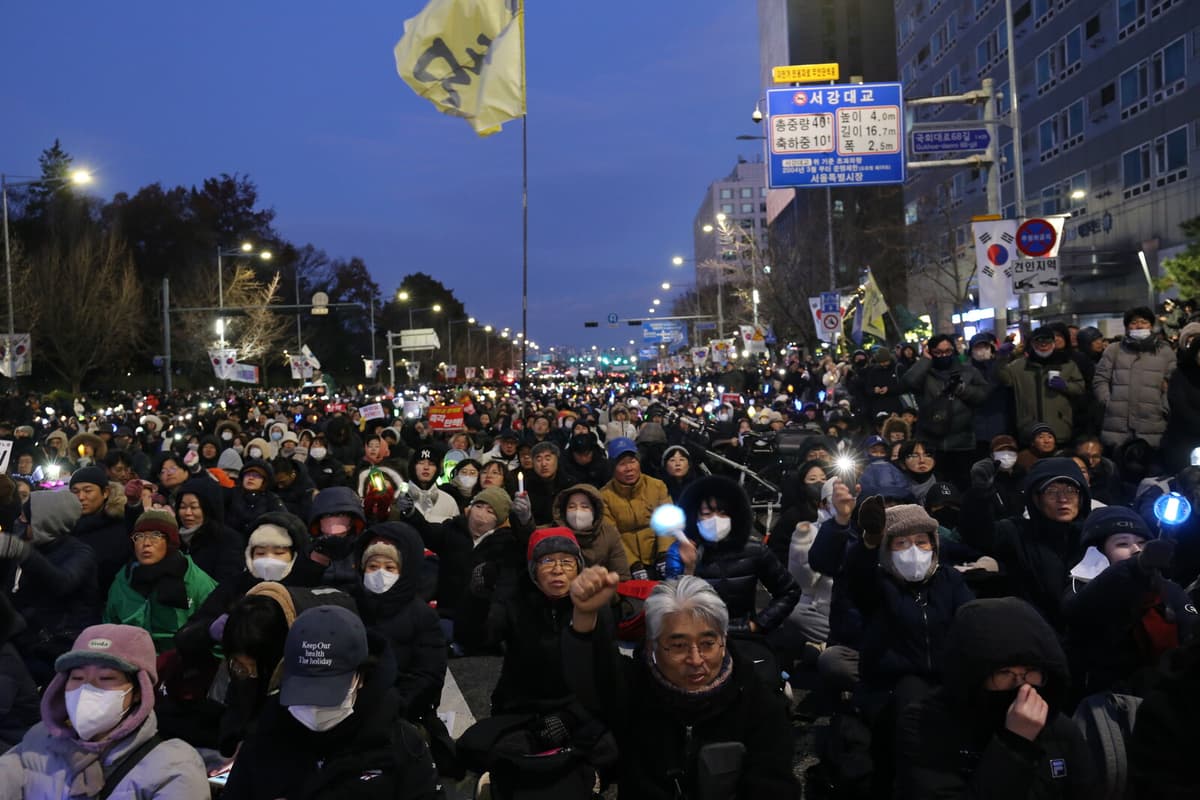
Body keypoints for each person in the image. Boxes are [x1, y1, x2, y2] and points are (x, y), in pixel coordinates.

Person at [564, 572, 800, 798]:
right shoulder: (632, 686)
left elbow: (774, 786)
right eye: (678, 646)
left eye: (708, 643)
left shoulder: (758, 699)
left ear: (723, 640)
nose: (696, 659)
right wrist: (584, 616)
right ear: (652, 646)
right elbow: (588, 678)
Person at [220, 605, 440, 799]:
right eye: (304, 693)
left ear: (360, 678)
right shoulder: (264, 737)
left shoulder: (399, 744)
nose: (315, 707)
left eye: (328, 695)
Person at [896, 597, 1095, 799]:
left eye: (1032, 671)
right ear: (975, 675)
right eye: (1005, 673)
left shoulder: (1059, 730)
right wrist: (1015, 745)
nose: (1022, 685)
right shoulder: (926, 726)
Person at [0, 623, 209, 797]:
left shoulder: (173, 766)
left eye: (106, 678)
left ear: (138, 692)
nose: (86, 690)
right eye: (77, 678)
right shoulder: (37, 742)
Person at [1062, 506, 1196, 699]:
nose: (1136, 550)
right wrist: (1137, 566)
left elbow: (1190, 633)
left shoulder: (1168, 589)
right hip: (1106, 703)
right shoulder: (1079, 586)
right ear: (1098, 553)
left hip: (1165, 696)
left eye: (1142, 543)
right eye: (1122, 544)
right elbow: (1079, 610)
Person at [961, 457, 1091, 631]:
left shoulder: (1093, 536)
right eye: (1052, 491)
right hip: (1033, 634)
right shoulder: (1016, 532)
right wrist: (980, 494)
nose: (1063, 499)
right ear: (1036, 499)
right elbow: (978, 535)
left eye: (1071, 490)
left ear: (1082, 496)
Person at [669, 474, 801, 637]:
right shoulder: (681, 551)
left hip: (742, 636)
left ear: (734, 516)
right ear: (694, 516)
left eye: (722, 513)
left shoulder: (754, 550)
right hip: (696, 637)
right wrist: (689, 568)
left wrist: (759, 624)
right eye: (707, 513)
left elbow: (789, 590)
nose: (715, 519)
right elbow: (671, 606)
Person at [353, 524, 447, 725]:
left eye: (389, 567)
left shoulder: (422, 616)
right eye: (372, 567)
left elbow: (429, 674)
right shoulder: (350, 605)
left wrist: (393, 706)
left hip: (400, 713)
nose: (379, 574)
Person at [0, 490, 95, 687]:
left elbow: (62, 583)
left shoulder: (80, 552)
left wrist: (23, 553)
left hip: (62, 652)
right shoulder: (29, 549)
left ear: (44, 521)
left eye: (25, 516)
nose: (19, 520)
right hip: (27, 646)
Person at [103, 509, 218, 652]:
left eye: (155, 536)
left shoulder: (196, 581)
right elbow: (109, 626)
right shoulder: (124, 580)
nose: (146, 543)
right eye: (139, 536)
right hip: (131, 659)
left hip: (179, 661)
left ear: (170, 541)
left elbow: (216, 632)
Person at [898, 334, 989, 484]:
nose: (944, 356)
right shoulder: (925, 373)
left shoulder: (968, 371)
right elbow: (907, 383)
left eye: (947, 351)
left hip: (962, 442)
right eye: (938, 352)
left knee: (963, 485)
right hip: (931, 442)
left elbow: (982, 396)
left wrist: (962, 389)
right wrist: (925, 360)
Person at [1094, 306, 1175, 449]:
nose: (1138, 326)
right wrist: (1108, 402)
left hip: (1153, 424)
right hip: (1117, 426)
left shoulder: (1165, 352)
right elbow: (1100, 379)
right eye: (1133, 322)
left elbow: (1173, 383)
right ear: (1127, 327)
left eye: (1143, 322)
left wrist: (1163, 407)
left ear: (1151, 325)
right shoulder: (1114, 350)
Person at [600, 437, 672, 579]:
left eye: (632, 462)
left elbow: (667, 522)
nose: (629, 468)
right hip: (626, 563)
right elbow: (612, 534)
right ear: (613, 468)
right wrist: (632, 564)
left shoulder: (657, 486)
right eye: (622, 464)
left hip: (659, 556)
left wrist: (664, 553)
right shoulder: (604, 496)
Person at [1001, 326, 1086, 445]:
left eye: (1047, 341)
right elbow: (1003, 378)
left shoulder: (1067, 364)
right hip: (1029, 429)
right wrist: (1001, 357)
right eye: (1039, 341)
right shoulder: (1018, 366)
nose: (1043, 344)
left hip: (1059, 429)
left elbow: (1080, 388)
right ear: (1032, 344)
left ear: (1053, 343)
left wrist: (1065, 386)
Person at [67, 465, 130, 605]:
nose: (81, 497)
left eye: (88, 490)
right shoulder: (65, 527)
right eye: (75, 491)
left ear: (105, 493)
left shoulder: (120, 525)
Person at [552, 483, 632, 580]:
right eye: (571, 506)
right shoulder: (553, 535)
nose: (577, 511)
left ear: (595, 511)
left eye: (584, 506)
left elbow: (622, 576)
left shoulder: (609, 533)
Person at [173, 475, 243, 584]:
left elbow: (227, 584)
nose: (187, 513)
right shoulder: (173, 538)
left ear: (208, 508)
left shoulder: (228, 540)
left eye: (194, 507)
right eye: (182, 507)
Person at [224, 458, 286, 539]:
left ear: (264, 481)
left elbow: (283, 520)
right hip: (230, 540)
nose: (251, 478)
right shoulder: (230, 494)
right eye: (247, 475)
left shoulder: (271, 499)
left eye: (256, 476)